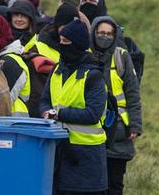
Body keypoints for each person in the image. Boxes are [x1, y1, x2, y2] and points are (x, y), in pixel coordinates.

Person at [40, 19, 107, 194]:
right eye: (61, 41)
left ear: (77, 44)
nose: (61, 45)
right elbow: (45, 100)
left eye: (66, 42)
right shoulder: (57, 70)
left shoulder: (93, 75)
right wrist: (46, 112)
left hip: (86, 155)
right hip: (58, 149)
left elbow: (93, 114)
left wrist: (58, 114)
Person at [90, 16, 142, 194]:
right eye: (101, 33)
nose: (104, 37)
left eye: (109, 34)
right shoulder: (85, 55)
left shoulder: (121, 56)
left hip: (119, 132)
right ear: (93, 33)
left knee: (115, 183)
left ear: (115, 36)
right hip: (91, 129)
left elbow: (133, 92)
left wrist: (135, 125)